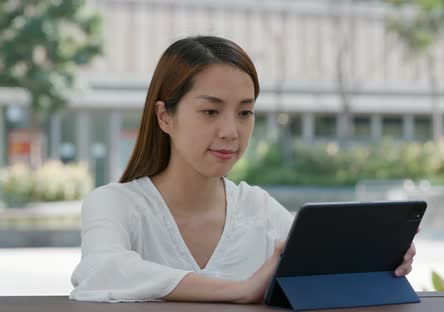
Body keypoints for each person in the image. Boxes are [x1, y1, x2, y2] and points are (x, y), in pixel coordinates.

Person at [69, 35, 417, 303]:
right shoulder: (115, 204)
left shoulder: (258, 210)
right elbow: (101, 271)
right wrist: (239, 290)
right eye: (210, 112)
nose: (230, 132)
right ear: (165, 116)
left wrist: (379, 260)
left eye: (244, 112)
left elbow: (325, 266)